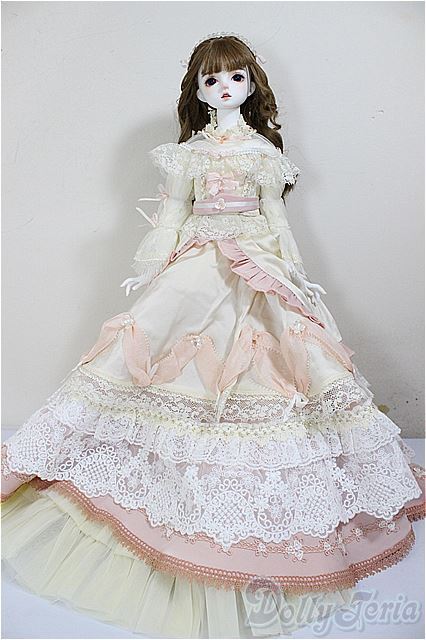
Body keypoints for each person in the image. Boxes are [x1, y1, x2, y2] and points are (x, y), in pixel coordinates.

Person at [1, 32, 425, 639]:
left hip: (256, 262)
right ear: (198, 92)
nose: (225, 88)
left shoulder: (263, 153)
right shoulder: (189, 155)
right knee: (155, 357)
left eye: (235, 77)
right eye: (212, 79)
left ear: (251, 86)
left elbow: (276, 216)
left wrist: (295, 275)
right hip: (198, 266)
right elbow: (174, 212)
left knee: (277, 364)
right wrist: (153, 266)